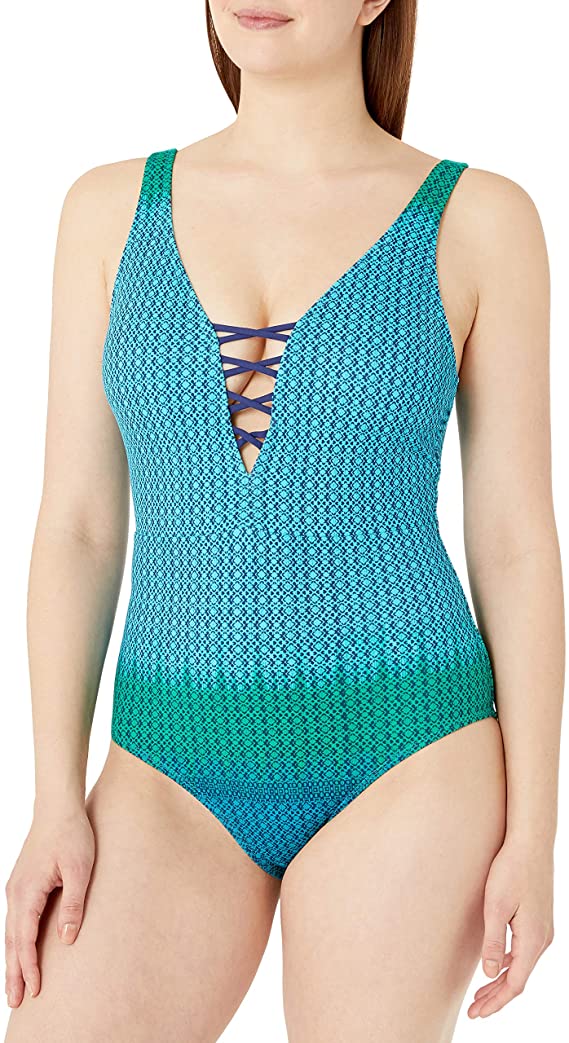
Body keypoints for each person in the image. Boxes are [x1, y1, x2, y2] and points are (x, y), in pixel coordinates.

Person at [4, 2, 564, 1041]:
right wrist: (52, 799)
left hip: (406, 755)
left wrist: (534, 834)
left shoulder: (479, 219)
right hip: (166, 773)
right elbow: (77, 525)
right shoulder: (107, 211)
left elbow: (515, 544)